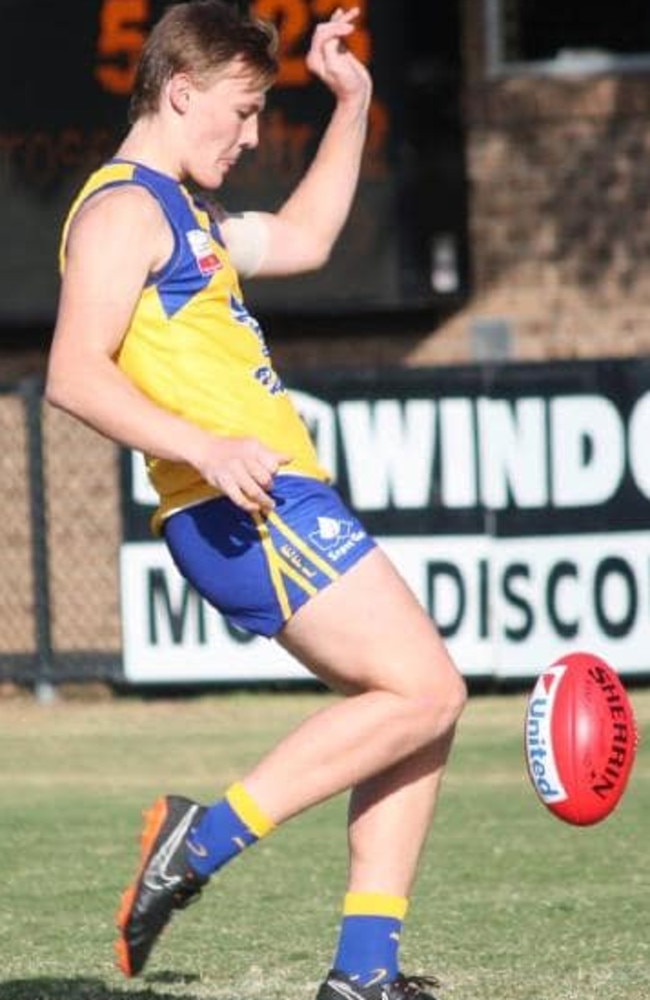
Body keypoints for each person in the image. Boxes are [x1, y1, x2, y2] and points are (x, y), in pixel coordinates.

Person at [46, 2, 467, 998]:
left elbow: (312, 236)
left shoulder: (186, 216)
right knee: (427, 689)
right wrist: (203, 444)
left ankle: (364, 969)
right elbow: (70, 371)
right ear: (180, 91)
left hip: (271, 498)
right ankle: (199, 842)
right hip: (240, 503)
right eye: (239, 111)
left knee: (420, 707)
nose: (248, 134)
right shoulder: (123, 211)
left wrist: (352, 101)